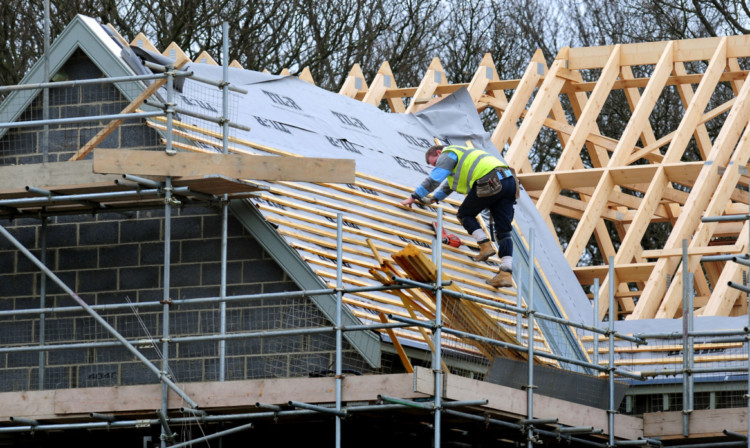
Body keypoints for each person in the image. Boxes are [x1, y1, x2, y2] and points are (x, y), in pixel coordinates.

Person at [400, 144, 517, 288]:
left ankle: (485, 245)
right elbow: (449, 186)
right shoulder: (463, 158)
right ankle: (506, 273)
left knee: (464, 214)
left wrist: (413, 196)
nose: (437, 166)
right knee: (504, 232)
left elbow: (434, 180)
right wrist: (433, 199)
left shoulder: (448, 154)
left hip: (490, 179)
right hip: (509, 181)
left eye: (435, 163)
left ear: (438, 152)